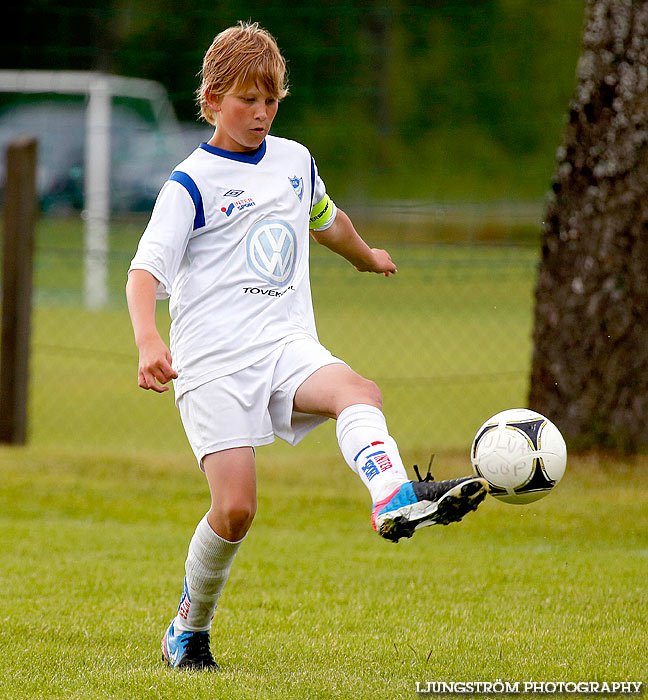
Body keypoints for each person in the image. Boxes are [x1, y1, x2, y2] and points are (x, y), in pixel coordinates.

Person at [126, 21, 488, 672]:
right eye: (246, 100)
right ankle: (188, 627)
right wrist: (149, 337)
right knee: (235, 510)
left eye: (270, 100)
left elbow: (327, 219)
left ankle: (393, 498)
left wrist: (364, 255)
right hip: (211, 364)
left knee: (358, 390)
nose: (260, 113)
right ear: (211, 101)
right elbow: (143, 273)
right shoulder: (190, 183)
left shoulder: (295, 162)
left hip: (285, 343)